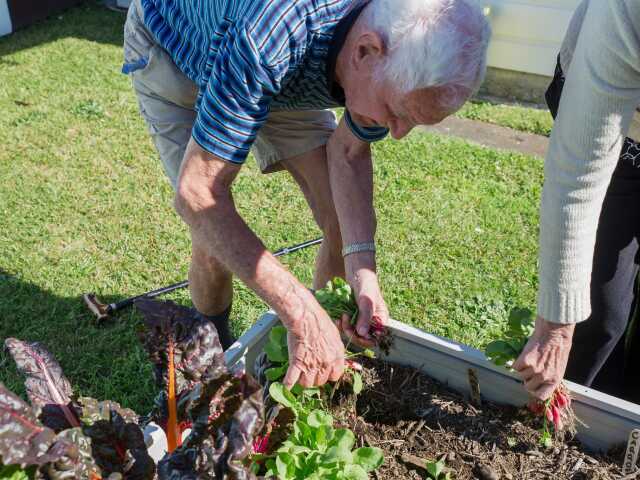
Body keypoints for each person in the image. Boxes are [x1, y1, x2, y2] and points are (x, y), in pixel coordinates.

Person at [122, 0, 491, 389]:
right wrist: (300, 311)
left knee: (339, 223)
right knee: (213, 240)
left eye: (413, 120)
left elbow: (348, 152)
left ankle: (320, 361)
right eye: (396, 112)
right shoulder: (267, 36)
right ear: (365, 51)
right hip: (178, 52)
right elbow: (198, 195)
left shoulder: (388, 41)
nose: (397, 132)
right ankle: (212, 353)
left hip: (285, 68)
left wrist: (362, 273)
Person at [513, 0, 640, 403]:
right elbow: (578, 174)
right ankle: (580, 419)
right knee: (601, 314)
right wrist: (556, 327)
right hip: (615, 118)